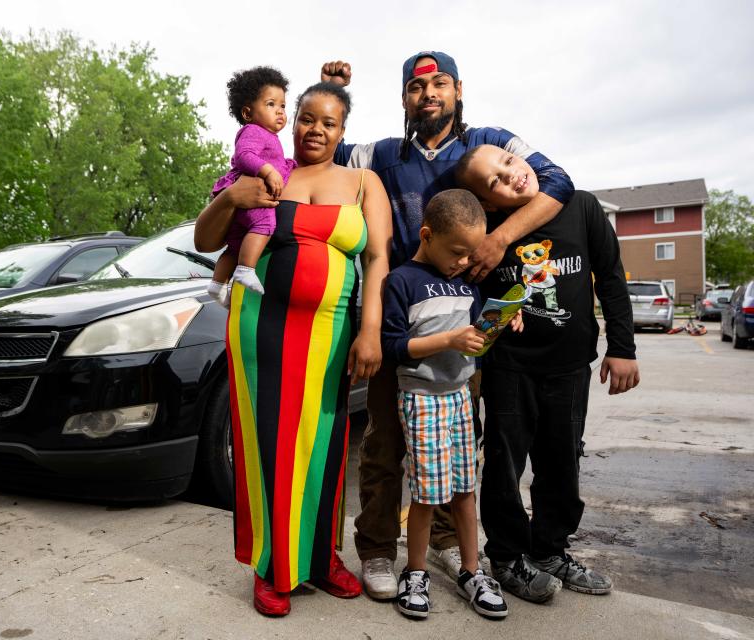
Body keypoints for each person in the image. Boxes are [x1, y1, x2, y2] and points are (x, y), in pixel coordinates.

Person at [320, 51, 575, 599]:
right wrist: (331, 87)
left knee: (459, 447)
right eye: (416, 87)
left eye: (438, 84)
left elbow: (558, 180)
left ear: (458, 90)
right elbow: (327, 147)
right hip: (399, 315)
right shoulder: (383, 154)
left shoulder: (488, 143)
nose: (428, 94)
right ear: (405, 98)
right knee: (387, 445)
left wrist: (500, 238)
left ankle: (440, 538)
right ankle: (378, 550)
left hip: (468, 322)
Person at [194, 82, 393, 616]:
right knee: (267, 446)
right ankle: (271, 567)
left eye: (328, 122)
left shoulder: (362, 182)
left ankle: (322, 558)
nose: (315, 129)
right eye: (306, 117)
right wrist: (230, 197)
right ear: (294, 120)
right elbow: (206, 240)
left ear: (343, 131)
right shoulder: (267, 170)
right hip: (260, 326)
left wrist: (369, 330)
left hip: (330, 332)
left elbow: (377, 260)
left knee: (325, 447)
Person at [454, 143, 639, 602]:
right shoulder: (489, 232)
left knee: (561, 460)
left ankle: (550, 549)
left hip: (570, 364)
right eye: (494, 181)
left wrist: (623, 347)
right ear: (489, 203)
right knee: (504, 464)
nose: (509, 176)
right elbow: (469, 291)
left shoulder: (582, 207)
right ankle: (508, 555)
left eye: (509, 163)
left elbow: (612, 278)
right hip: (510, 366)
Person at [381, 189, 514, 620]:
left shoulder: (465, 284)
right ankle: (415, 572)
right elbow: (394, 346)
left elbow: (475, 339)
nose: (463, 262)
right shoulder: (402, 280)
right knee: (426, 493)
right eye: (457, 251)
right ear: (426, 235)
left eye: (470, 254)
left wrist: (499, 320)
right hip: (422, 399)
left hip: (460, 396)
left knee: (464, 490)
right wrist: (449, 339)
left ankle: (472, 572)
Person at [207, 67, 297, 305]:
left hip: (241, 201)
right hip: (250, 195)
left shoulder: (266, 135)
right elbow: (243, 156)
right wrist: (268, 170)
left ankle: (217, 285)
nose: (279, 111)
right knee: (266, 223)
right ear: (248, 112)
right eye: (271, 104)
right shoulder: (254, 131)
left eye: (283, 106)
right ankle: (245, 270)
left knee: (235, 245)